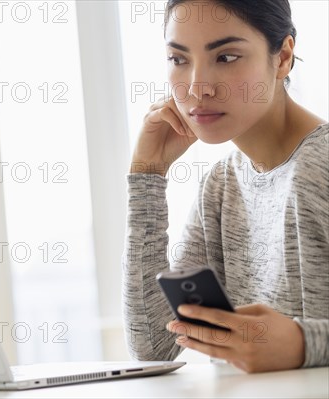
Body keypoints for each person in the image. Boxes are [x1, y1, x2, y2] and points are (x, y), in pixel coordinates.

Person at [123, 0, 328, 373]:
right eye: (179, 59)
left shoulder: (323, 165)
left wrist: (303, 345)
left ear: (282, 57)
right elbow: (152, 343)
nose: (198, 88)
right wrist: (147, 176)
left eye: (227, 57)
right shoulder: (221, 186)